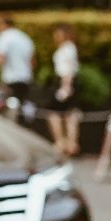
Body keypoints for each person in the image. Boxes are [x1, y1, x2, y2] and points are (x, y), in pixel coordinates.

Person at [0, 15, 35, 116]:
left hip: (11, 79)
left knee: (9, 110)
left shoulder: (4, 37)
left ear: (4, 24)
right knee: (21, 109)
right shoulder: (24, 37)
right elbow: (32, 62)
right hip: (26, 78)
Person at [46, 23, 81, 157]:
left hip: (65, 83)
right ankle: (69, 143)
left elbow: (68, 70)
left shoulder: (67, 48)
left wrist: (65, 87)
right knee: (69, 114)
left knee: (56, 113)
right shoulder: (69, 48)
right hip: (66, 82)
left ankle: (63, 142)